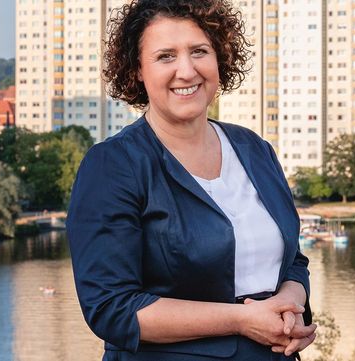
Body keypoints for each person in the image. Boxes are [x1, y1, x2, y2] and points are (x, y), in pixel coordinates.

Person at [66, 0, 316, 359]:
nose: (186, 70)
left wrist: (291, 301)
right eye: (165, 56)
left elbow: (292, 259)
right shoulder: (113, 165)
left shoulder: (255, 150)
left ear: (219, 58)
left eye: (199, 51)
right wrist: (242, 320)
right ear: (137, 69)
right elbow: (111, 308)